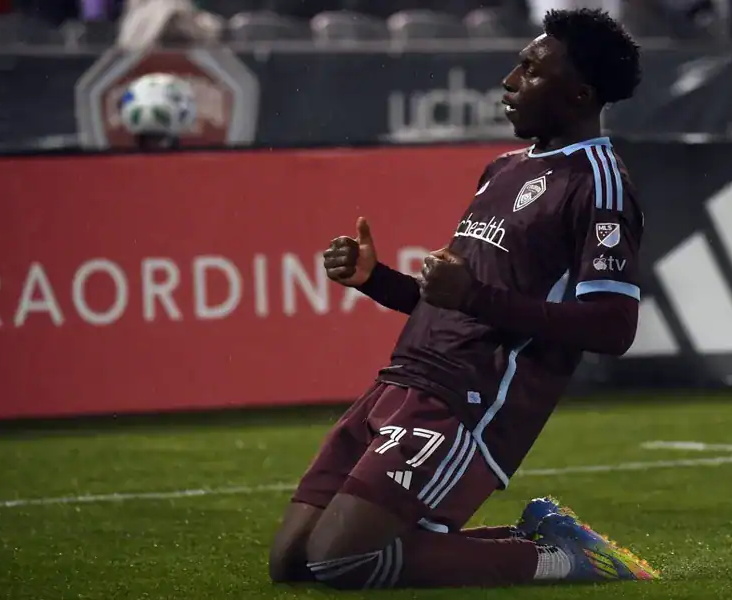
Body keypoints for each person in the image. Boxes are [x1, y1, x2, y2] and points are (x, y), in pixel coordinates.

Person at [268, 8, 656, 590]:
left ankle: (561, 561)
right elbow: (456, 303)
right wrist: (377, 280)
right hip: (397, 384)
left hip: (467, 402)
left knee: (338, 561)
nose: (510, 80)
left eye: (530, 69)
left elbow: (613, 327)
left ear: (578, 95)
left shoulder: (598, 181)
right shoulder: (502, 168)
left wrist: (472, 293)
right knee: (292, 563)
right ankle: (536, 539)